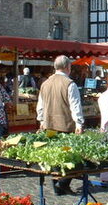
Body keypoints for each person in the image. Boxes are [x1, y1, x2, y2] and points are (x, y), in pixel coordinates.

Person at [36, 55, 84, 195]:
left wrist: (41, 121)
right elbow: (75, 106)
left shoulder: (45, 83)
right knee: (69, 156)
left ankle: (57, 183)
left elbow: (40, 105)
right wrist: (79, 123)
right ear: (67, 67)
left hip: (49, 125)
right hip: (65, 125)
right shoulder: (70, 84)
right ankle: (62, 184)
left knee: (54, 154)